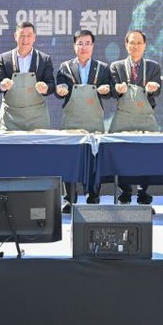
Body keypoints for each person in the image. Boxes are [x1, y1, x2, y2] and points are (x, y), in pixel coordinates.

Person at [55, 30, 113, 212]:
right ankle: (69, 199)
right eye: (80, 43)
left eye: (88, 43)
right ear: (74, 46)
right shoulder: (65, 67)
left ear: (93, 46)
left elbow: (111, 91)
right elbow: (59, 89)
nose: (84, 47)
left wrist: (107, 89)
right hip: (71, 119)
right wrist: (60, 90)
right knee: (69, 160)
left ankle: (93, 196)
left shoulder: (102, 67)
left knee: (94, 160)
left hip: (94, 119)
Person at [109, 29, 161, 206]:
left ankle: (143, 193)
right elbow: (112, 92)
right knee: (121, 154)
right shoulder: (116, 66)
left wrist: (153, 88)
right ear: (126, 45)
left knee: (148, 155)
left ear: (145, 45)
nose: (135, 46)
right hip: (123, 116)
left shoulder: (153, 66)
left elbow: (158, 91)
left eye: (139, 43)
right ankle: (125, 192)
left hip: (145, 116)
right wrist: (118, 89)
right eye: (132, 42)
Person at [0, 21, 55, 130]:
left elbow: (52, 85)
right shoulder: (5, 58)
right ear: (15, 36)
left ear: (34, 37)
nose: (25, 39)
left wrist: (45, 88)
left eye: (29, 35)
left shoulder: (44, 59)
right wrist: (3, 85)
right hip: (10, 118)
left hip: (37, 118)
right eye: (22, 35)